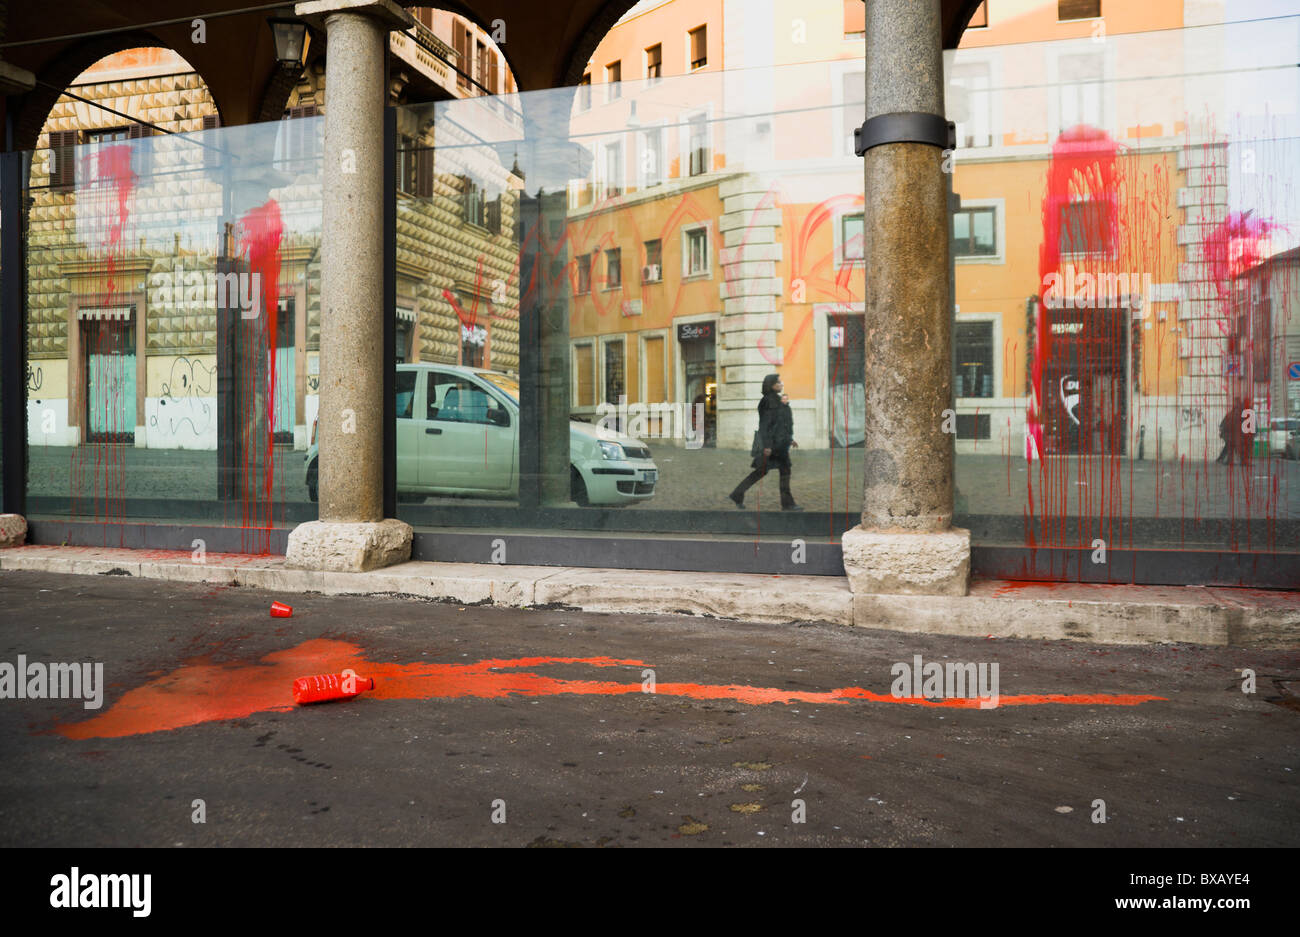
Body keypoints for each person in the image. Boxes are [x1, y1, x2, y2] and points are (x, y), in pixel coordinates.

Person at [729, 373, 802, 511]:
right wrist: (767, 446)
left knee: (768, 471)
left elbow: (781, 423)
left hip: (779, 444)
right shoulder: (768, 401)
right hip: (773, 446)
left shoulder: (776, 399)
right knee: (776, 471)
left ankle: (737, 494)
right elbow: (765, 425)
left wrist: (789, 439)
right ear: (772, 385)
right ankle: (787, 504)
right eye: (778, 382)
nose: (781, 384)